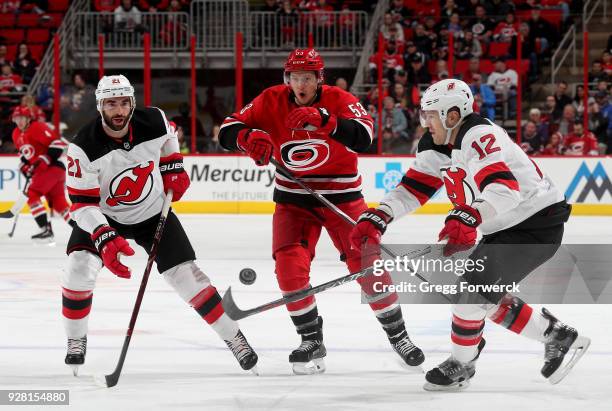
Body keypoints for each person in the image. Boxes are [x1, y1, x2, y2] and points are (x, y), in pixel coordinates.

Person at [350, 79, 590, 390]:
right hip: (505, 226)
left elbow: (505, 189)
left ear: (452, 116)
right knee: (478, 296)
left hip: (535, 224)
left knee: (470, 296)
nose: (426, 123)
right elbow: (414, 187)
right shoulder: (436, 144)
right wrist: (380, 214)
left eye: (430, 116)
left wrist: (468, 216)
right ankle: (556, 335)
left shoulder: (479, 135)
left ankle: (463, 363)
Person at [218, 49, 424, 374]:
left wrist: (327, 121)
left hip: (342, 196)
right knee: (289, 268)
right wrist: (246, 137)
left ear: (319, 79)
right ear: (287, 79)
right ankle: (310, 338)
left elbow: (365, 137)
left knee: (369, 264)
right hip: (293, 200)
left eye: (307, 77)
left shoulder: (339, 100)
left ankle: (398, 335)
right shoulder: (270, 100)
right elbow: (227, 129)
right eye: (295, 77)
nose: (300, 84)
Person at [62, 75, 258, 376]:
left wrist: (173, 165)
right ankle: (76, 339)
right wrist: (104, 236)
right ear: (100, 106)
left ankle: (234, 337)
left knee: (188, 277)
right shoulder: (83, 147)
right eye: (111, 103)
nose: (118, 110)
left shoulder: (154, 120)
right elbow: (81, 205)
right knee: (78, 266)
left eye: (123, 103)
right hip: (104, 215)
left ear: (132, 103)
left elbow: (169, 138)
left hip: (153, 212)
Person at [10, 105, 73, 241]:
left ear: (28, 118)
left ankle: (45, 229)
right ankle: (83, 231)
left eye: (22, 118)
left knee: (32, 194)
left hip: (52, 168)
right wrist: (25, 166)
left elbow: (58, 144)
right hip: (49, 172)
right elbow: (25, 155)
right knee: (59, 204)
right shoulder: (15, 134)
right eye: (17, 118)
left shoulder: (38, 127)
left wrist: (46, 158)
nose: (20, 121)